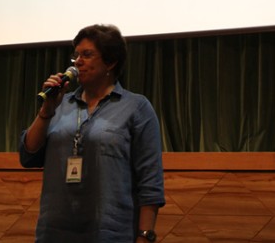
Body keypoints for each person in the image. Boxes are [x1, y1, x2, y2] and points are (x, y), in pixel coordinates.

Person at [19, 24, 165, 242]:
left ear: (110, 62)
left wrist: (145, 236)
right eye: (76, 55)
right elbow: (28, 154)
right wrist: (46, 110)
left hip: (109, 233)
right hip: (54, 233)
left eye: (87, 55)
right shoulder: (60, 103)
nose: (78, 62)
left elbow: (150, 182)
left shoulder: (136, 107)